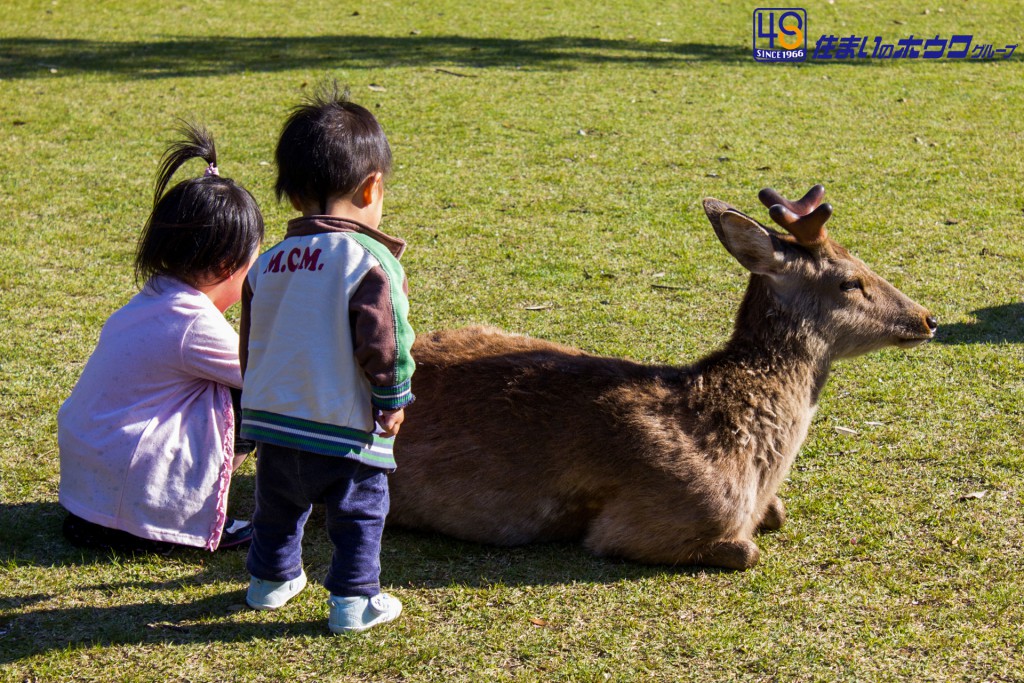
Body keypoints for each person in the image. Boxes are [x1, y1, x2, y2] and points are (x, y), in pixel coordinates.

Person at [240, 86, 415, 634]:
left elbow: (251, 342)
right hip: (343, 424)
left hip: (274, 420)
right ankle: (355, 600)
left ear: (292, 196)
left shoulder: (266, 263)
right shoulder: (369, 261)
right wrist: (392, 400)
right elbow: (386, 342)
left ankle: (269, 582)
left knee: (278, 508)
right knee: (359, 511)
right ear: (373, 186)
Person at [57, 123, 264, 554]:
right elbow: (267, 374)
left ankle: (137, 514)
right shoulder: (191, 321)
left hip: (87, 497)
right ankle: (194, 514)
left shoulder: (150, 300)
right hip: (130, 501)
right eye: (254, 266)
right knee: (257, 398)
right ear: (229, 266)